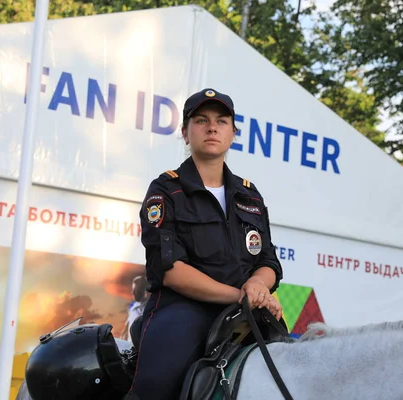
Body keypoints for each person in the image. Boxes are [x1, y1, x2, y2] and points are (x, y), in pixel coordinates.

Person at [124, 88, 284, 400]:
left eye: (221, 121)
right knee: (154, 388)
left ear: (233, 133)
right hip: (183, 310)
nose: (212, 127)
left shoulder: (250, 196)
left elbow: (268, 261)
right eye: (201, 120)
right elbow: (170, 269)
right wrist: (241, 296)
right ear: (185, 132)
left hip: (248, 310)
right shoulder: (166, 189)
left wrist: (257, 285)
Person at [120, 275, 149, 343]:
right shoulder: (132, 306)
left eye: (135, 290)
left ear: (145, 292)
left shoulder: (149, 309)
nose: (132, 292)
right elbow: (127, 326)